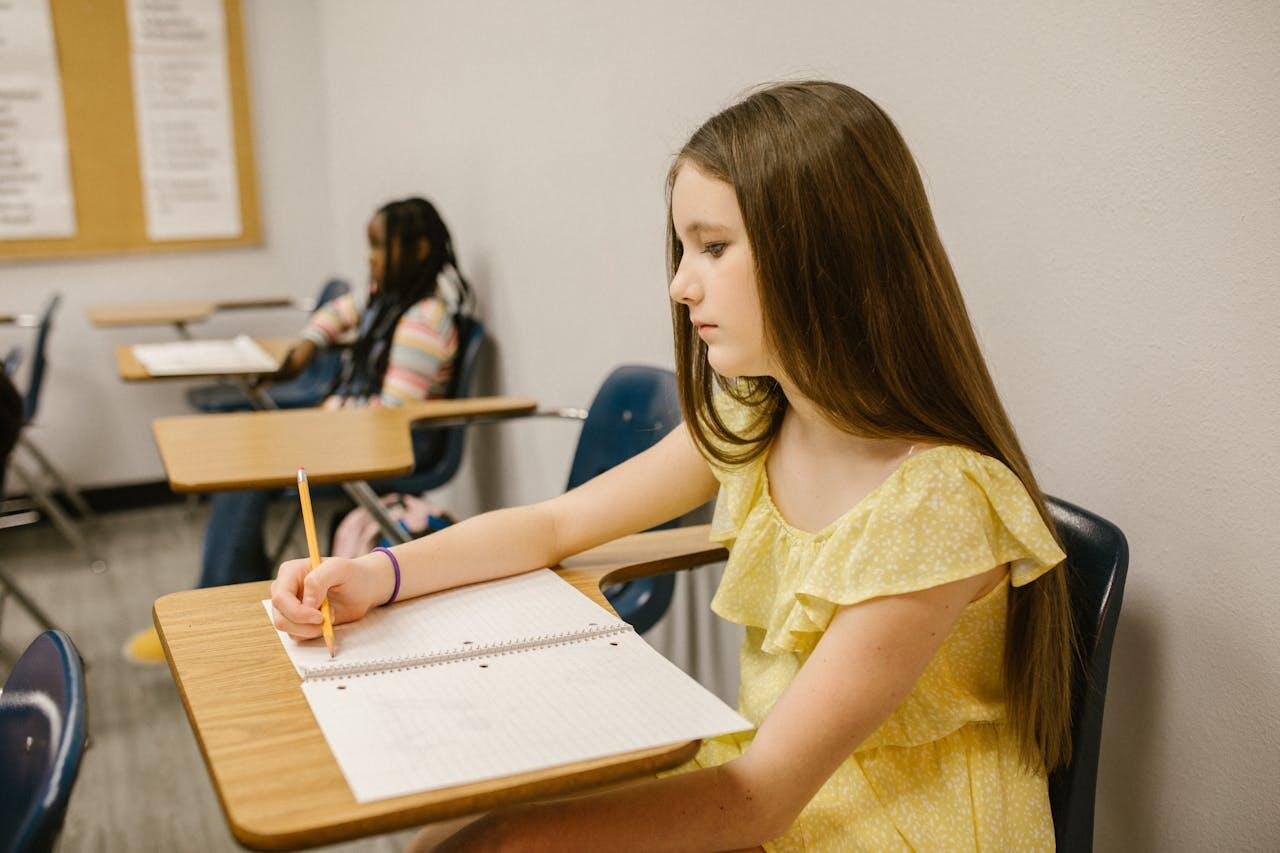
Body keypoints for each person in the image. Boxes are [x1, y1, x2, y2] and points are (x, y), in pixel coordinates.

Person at [270, 81, 1074, 851]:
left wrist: (519, 834)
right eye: (685, 247)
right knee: (439, 838)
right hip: (776, 782)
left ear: (825, 258)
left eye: (714, 248)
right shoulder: (757, 416)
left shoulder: (932, 501)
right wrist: (379, 573)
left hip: (885, 824)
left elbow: (763, 793)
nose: (681, 284)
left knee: (489, 839)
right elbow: (555, 523)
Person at [124, 197, 475, 665]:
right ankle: (232, 593)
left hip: (395, 443)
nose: (369, 258)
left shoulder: (423, 319)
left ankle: (217, 600)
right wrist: (311, 344)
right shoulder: (385, 299)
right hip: (349, 430)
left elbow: (391, 414)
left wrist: (323, 419)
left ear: (418, 248)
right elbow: (335, 312)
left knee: (249, 462)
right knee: (245, 459)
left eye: (378, 247)